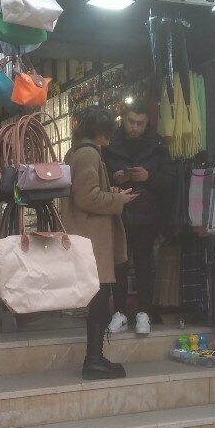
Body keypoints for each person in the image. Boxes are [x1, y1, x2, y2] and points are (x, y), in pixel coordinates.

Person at [63, 107, 139, 379]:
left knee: (98, 298)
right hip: (92, 239)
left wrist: (111, 194)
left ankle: (95, 357)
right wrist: (118, 200)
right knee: (98, 299)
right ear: (99, 131)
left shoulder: (78, 153)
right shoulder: (88, 154)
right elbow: (86, 198)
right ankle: (93, 359)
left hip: (89, 237)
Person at [103, 100, 174, 335]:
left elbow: (169, 181)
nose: (135, 127)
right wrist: (116, 178)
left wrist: (148, 177)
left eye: (140, 123)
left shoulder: (157, 145)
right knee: (119, 266)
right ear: (123, 120)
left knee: (145, 265)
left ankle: (144, 312)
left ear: (147, 123)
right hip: (119, 215)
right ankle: (120, 312)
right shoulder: (110, 144)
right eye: (131, 122)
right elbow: (98, 177)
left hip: (147, 215)